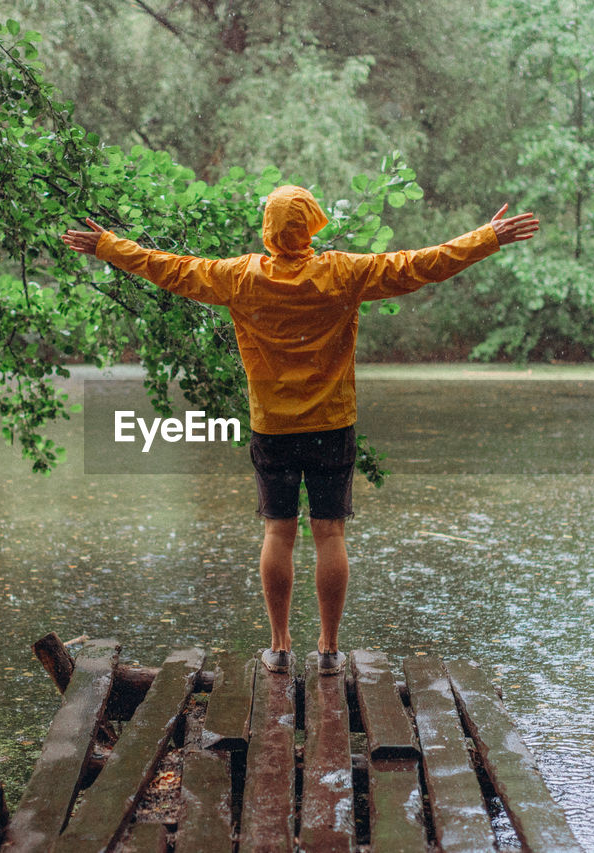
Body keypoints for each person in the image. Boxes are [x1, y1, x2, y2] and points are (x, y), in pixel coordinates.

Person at [62, 185, 539, 675]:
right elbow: (420, 265)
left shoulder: (238, 277)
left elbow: (169, 268)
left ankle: (280, 646)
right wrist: (487, 238)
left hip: (273, 428)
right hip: (331, 424)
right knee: (329, 532)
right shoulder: (343, 272)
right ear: (311, 224)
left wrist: (106, 246)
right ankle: (330, 651)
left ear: (268, 229)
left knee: (278, 530)